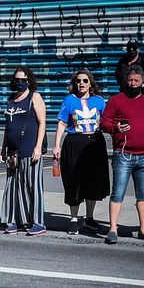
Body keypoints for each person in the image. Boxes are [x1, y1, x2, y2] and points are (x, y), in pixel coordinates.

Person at [52, 70, 109, 235]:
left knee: (93, 180)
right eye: (78, 81)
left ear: (90, 83)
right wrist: (57, 145)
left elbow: (106, 121)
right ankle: (74, 218)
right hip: (74, 142)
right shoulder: (69, 100)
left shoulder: (99, 101)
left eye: (85, 80)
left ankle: (89, 218)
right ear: (74, 83)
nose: (81, 83)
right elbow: (62, 122)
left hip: (95, 143)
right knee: (73, 180)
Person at [0, 66, 47, 235]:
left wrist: (38, 147)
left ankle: (38, 222)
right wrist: (4, 147)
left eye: (24, 80)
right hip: (13, 152)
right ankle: (16, 221)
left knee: (33, 186)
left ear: (29, 81)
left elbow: (42, 123)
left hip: (30, 149)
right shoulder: (11, 99)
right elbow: (8, 126)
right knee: (13, 187)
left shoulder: (35, 97)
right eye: (18, 79)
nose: (20, 82)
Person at [101, 65, 144, 244]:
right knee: (117, 192)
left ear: (142, 82)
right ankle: (113, 229)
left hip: (143, 156)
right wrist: (116, 128)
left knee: (142, 195)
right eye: (130, 80)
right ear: (125, 81)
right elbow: (104, 123)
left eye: (136, 80)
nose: (133, 83)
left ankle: (143, 228)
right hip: (123, 155)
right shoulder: (116, 100)